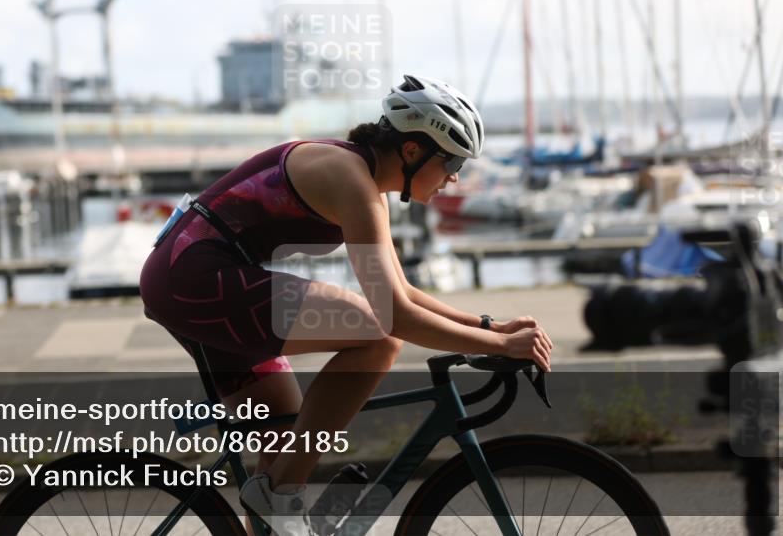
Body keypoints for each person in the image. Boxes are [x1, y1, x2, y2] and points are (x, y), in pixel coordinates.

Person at [139, 74, 554, 535]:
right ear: (413, 151)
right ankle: (278, 496)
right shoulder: (351, 179)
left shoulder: (366, 184)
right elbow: (392, 315)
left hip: (193, 280)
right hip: (196, 279)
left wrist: (489, 328)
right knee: (377, 338)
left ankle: (274, 498)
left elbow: (402, 290)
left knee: (281, 452)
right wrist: (500, 348)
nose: (455, 176)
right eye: (452, 160)